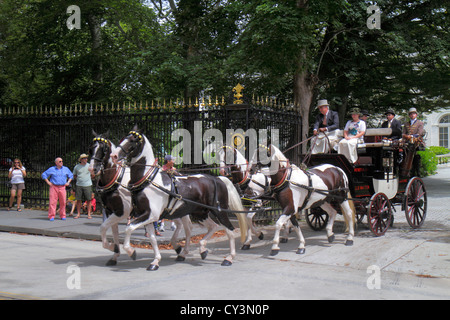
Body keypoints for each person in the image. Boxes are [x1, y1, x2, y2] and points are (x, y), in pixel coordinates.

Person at [73, 154, 94, 219]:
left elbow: (93, 174)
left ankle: (89, 214)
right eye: (84, 158)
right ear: (81, 159)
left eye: (86, 158)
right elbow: (75, 175)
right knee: (78, 200)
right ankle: (78, 214)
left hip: (87, 185)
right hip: (79, 185)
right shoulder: (77, 167)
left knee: (89, 199)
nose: (86, 159)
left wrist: (88, 178)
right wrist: (79, 179)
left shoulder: (89, 166)